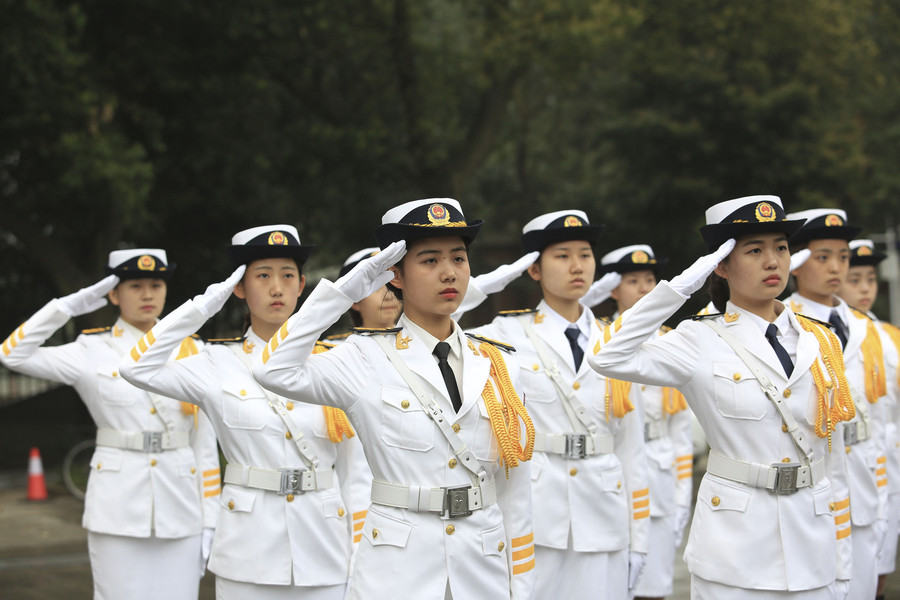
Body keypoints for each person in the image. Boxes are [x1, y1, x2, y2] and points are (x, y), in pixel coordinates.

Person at [252, 199, 536, 600]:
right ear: (395, 276)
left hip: (483, 569)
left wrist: (520, 585)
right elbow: (272, 370)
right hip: (397, 573)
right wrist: (343, 292)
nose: (449, 272)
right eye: (430, 261)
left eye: (458, 257)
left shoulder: (500, 364)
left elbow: (515, 487)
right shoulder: (363, 358)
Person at [589, 196, 854, 599]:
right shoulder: (699, 338)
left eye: (780, 248)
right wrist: (679, 288)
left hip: (813, 544)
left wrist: (844, 567)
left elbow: (834, 458)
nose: (772, 261)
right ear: (722, 265)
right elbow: (608, 357)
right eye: (754, 250)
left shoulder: (820, 340)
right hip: (735, 552)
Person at [120, 225, 371, 599]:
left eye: (288, 276)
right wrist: (204, 305)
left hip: (324, 548)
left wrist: (358, 554)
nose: (277, 288)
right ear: (238, 287)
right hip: (248, 551)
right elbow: (136, 368)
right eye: (263, 276)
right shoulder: (215, 362)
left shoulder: (333, 362)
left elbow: (355, 474)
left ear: (302, 285)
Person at [0, 249, 219, 600]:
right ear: (113, 294)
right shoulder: (92, 349)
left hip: (181, 503)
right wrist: (68, 307)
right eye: (135, 286)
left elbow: (206, 445)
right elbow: (11, 353)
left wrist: (211, 515)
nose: (147, 294)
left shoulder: (192, 349)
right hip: (117, 506)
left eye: (156, 284)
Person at [462, 210, 650, 600]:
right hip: (539, 511)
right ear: (533, 269)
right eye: (562, 256)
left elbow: (632, 448)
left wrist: (641, 538)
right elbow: (444, 322)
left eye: (584, 254)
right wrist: (482, 288)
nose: (577, 266)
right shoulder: (507, 333)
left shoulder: (616, 340)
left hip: (605, 509)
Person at [786, 209, 889, 600]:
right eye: (822, 256)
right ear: (795, 261)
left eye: (843, 256)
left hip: (862, 479)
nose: (836, 267)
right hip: (811, 481)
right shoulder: (781, 322)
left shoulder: (866, 327)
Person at [596, 244, 693, 600]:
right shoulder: (598, 340)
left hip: (659, 473)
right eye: (632, 280)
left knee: (655, 586)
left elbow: (680, 430)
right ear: (612, 289)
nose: (643, 289)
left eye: (650, 280)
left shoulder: (672, 342)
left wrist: (684, 495)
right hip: (612, 472)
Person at [837, 239, 900, 600]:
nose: (864, 289)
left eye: (871, 279)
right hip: (844, 462)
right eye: (855, 278)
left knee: (877, 575)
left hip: (884, 466)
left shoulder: (888, 336)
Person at [325, 247, 403, 343]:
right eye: (376, 287)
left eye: (392, 286)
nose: (388, 297)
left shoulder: (420, 342)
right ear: (354, 301)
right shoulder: (333, 351)